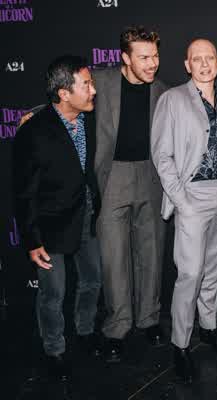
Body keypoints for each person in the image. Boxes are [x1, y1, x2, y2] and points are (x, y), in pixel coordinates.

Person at [151, 38, 217, 383]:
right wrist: (181, 201)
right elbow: (162, 156)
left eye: (209, 58)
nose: (203, 64)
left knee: (212, 272)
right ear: (187, 65)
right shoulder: (172, 99)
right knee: (189, 274)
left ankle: (209, 328)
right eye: (196, 59)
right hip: (192, 197)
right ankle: (181, 345)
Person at [13, 55, 102, 382]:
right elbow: (23, 192)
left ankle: (85, 331)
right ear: (64, 93)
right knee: (53, 294)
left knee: (92, 280)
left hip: (86, 214)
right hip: (50, 226)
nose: (93, 90)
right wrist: (32, 240)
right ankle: (54, 350)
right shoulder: (33, 131)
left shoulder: (88, 118)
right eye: (86, 85)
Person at [92, 25, 169, 362]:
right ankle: (117, 327)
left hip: (150, 175)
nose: (152, 63)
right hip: (113, 176)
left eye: (155, 56)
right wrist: (35, 116)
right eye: (144, 57)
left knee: (151, 252)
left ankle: (149, 318)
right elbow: (66, 96)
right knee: (114, 257)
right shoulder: (100, 81)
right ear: (125, 58)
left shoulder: (162, 91)